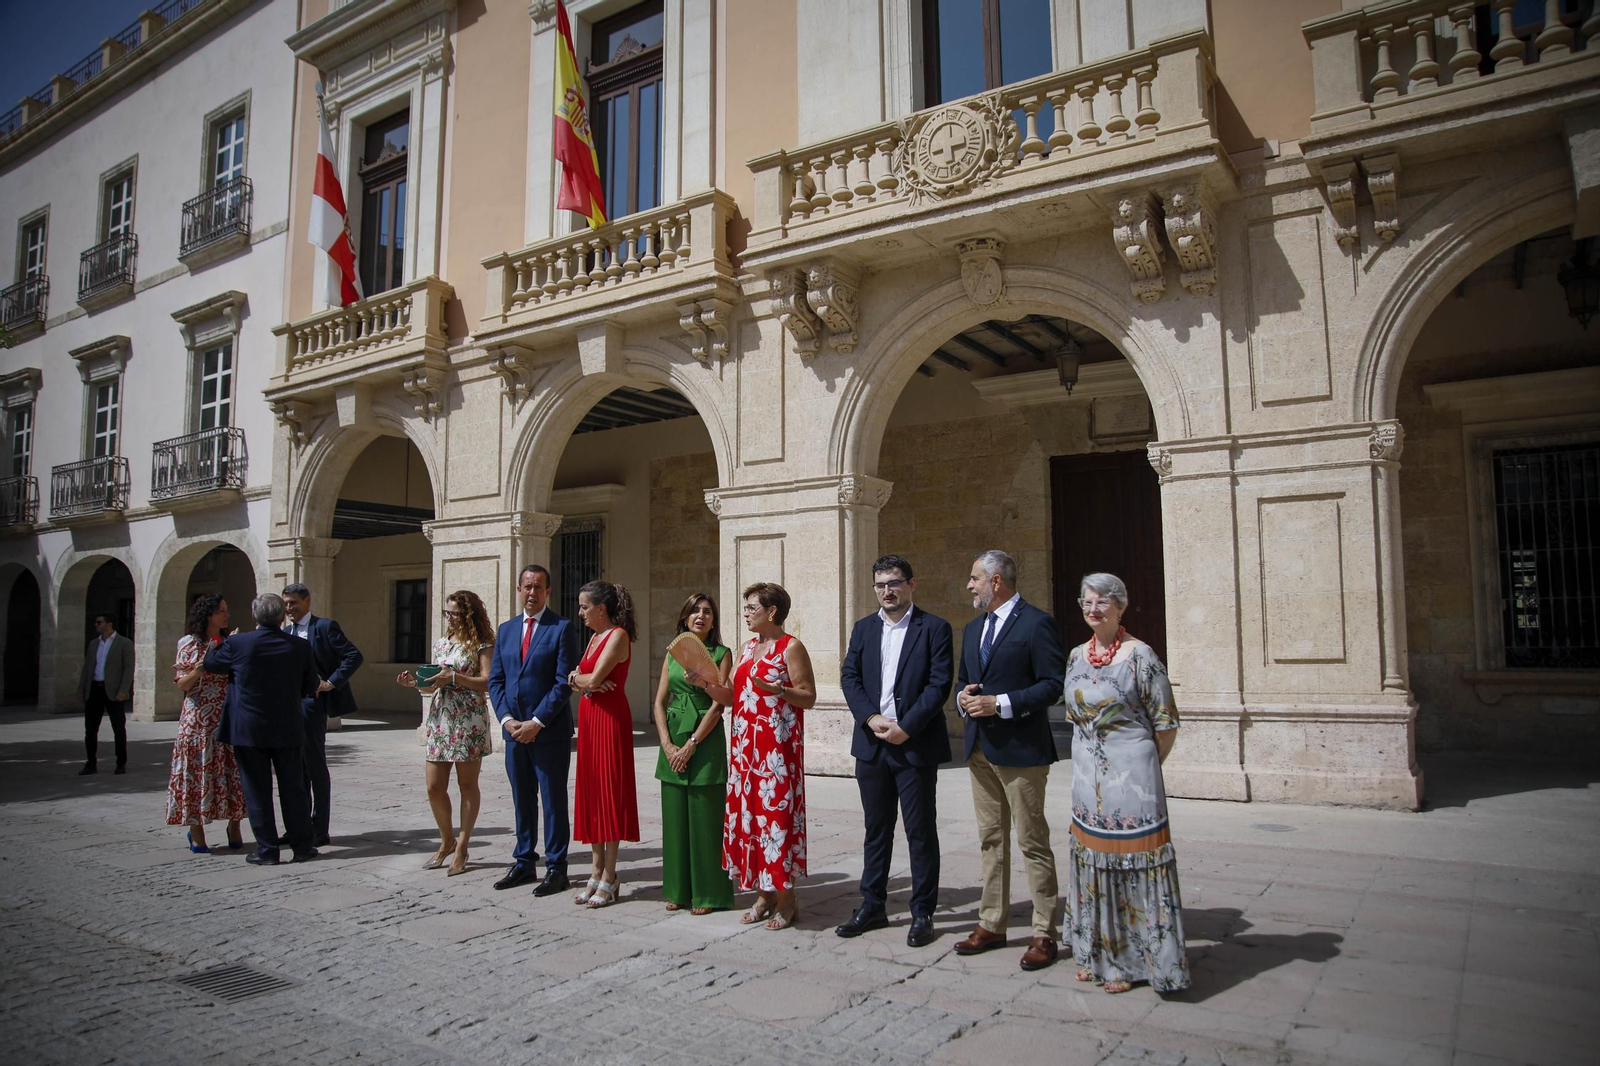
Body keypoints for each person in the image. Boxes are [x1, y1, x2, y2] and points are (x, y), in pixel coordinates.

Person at [1064, 573, 1190, 994]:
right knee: (1095, 864)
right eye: (1086, 602)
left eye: (1102, 602)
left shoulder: (1142, 656)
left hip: (1132, 783)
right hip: (1087, 782)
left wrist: (1140, 767)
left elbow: (1166, 724)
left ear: (1120, 606)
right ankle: (1096, 953)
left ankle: (1134, 963)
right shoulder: (1076, 655)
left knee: (1134, 867)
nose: (1093, 610)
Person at [953, 549, 1065, 972]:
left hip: (1021, 750)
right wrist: (964, 699)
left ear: (996, 581)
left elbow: (1052, 684)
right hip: (980, 749)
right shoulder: (974, 626)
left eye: (974, 578)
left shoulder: (1037, 624)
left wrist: (999, 703)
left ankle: (1044, 932)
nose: (969, 585)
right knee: (991, 840)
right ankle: (992, 923)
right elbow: (966, 681)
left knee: (1032, 841)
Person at [837, 554, 953, 948]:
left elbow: (939, 685)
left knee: (920, 832)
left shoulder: (934, 628)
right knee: (876, 829)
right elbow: (849, 676)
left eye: (894, 583)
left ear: (911, 584)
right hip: (872, 745)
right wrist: (870, 718)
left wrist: (907, 726)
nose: (887, 591)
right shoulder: (864, 629)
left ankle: (922, 912)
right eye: (881, 584)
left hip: (914, 744)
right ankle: (872, 905)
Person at [689, 582, 816, 931]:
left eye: (751, 607)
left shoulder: (791, 648)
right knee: (752, 821)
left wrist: (781, 690)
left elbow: (808, 696)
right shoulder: (746, 649)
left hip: (777, 753)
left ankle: (787, 899)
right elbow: (730, 696)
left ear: (771, 612)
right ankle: (764, 894)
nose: (746, 613)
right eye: (745, 608)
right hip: (745, 752)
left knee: (776, 821)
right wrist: (704, 683)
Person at [205, 593, 322, 865]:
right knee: (294, 789)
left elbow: (211, 664)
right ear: (282, 616)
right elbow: (309, 687)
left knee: (257, 790)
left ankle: (267, 850)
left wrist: (221, 642)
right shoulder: (299, 646)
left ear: (255, 617)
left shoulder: (237, 643)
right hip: (287, 728)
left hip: (249, 729)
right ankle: (303, 847)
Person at [487, 564, 579, 897]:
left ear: (548, 592)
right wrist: (507, 719)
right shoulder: (507, 630)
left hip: (548, 732)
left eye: (538, 587)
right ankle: (524, 861)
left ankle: (557, 868)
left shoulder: (561, 628)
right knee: (522, 799)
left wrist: (536, 722)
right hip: (514, 732)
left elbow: (563, 682)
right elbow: (496, 680)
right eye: (527, 586)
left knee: (553, 800)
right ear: (518, 589)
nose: (532, 592)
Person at [397, 589, 495, 876]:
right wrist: (415, 684)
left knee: (467, 786)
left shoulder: (482, 642)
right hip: (441, 719)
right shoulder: (442, 644)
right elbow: (432, 684)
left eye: (454, 613)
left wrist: (455, 677)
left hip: (468, 720)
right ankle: (446, 840)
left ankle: (462, 845)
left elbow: (487, 681)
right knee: (434, 787)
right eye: (447, 613)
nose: (449, 618)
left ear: (468, 614)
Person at [650, 593, 734, 915]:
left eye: (708, 611)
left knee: (706, 818)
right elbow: (659, 700)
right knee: (674, 820)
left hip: (705, 738)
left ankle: (709, 893)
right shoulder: (672, 654)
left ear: (714, 619)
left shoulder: (722, 653)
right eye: (695, 611)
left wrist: (691, 745)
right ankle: (677, 889)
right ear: (685, 617)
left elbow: (719, 704)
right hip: (672, 733)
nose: (701, 616)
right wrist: (668, 744)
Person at [568, 580, 641, 908]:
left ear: (601, 609)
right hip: (589, 717)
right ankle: (595, 870)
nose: (581, 612)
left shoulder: (618, 635)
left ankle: (610, 875)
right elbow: (582, 679)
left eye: (585, 607)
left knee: (609, 794)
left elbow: (594, 680)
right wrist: (578, 680)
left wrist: (581, 680)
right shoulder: (594, 638)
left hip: (610, 719)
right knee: (592, 793)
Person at [281, 583, 364, 848]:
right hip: (290, 706)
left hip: (312, 705)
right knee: (296, 769)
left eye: (293, 603)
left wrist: (331, 682)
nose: (289, 608)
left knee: (314, 766)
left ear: (307, 601)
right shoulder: (286, 631)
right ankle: (299, 826)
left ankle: (320, 828)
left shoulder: (324, 627)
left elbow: (353, 655)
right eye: (285, 604)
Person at [165, 595, 247, 852]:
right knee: (196, 774)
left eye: (226, 610)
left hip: (227, 716)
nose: (226, 615)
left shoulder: (230, 642)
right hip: (198, 719)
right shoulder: (189, 643)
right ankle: (196, 831)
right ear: (208, 615)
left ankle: (235, 826)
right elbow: (183, 684)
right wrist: (201, 667)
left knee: (233, 773)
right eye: (221, 611)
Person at [78, 612, 134, 775]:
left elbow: (128, 668)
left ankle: (121, 763)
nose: (96, 625)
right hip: (94, 688)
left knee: (118, 728)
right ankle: (90, 763)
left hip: (114, 691)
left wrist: (124, 689)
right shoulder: (94, 644)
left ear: (109, 624)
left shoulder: (124, 643)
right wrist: (81, 689)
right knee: (90, 729)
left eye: (99, 622)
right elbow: (87, 668)